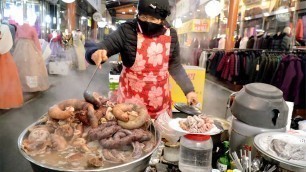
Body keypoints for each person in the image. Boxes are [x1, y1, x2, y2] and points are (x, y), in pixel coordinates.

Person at [86, 0, 198, 119]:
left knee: (158, 135)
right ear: (138, 14)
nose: (148, 22)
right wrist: (94, 53)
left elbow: (175, 66)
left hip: (159, 104)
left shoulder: (171, 35)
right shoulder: (127, 30)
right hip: (129, 106)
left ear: (162, 19)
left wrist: (189, 90)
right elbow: (104, 46)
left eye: (153, 19)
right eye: (143, 17)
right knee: (129, 135)